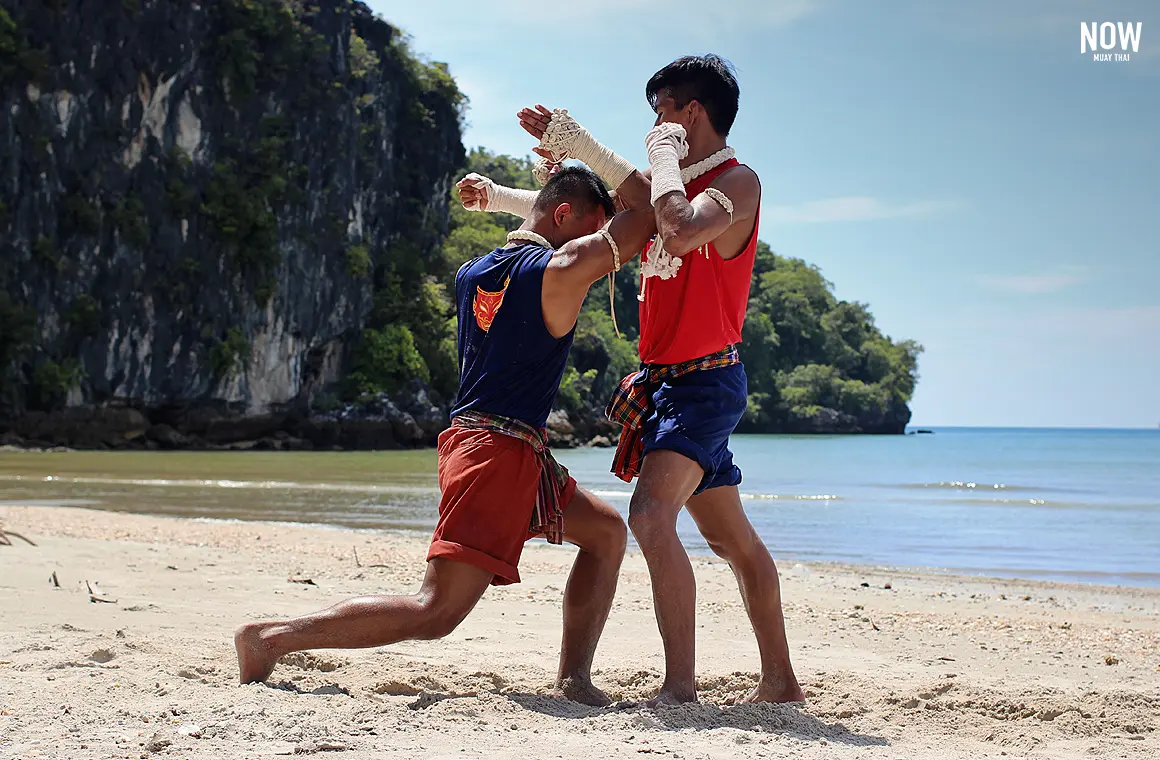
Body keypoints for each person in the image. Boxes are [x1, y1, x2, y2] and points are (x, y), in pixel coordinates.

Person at [235, 146, 658, 706]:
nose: (594, 241)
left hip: (501, 444)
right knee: (435, 611)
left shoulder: (473, 272)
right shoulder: (558, 270)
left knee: (604, 534)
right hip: (497, 450)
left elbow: (562, 224)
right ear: (564, 218)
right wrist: (598, 145)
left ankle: (574, 680)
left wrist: (521, 194)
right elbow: (649, 212)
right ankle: (271, 639)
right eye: (590, 227)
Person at [472, 63, 803, 706]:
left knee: (651, 518)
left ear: (693, 114)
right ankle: (780, 682)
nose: (655, 125)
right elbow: (611, 219)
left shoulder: (738, 182)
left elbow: (677, 228)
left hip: (705, 383)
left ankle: (680, 691)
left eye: (662, 112)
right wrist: (536, 174)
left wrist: (655, 162)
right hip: (664, 384)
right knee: (730, 538)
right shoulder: (669, 185)